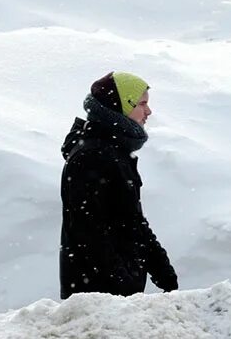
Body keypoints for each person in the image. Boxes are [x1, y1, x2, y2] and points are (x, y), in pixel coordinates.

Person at [59, 71, 178, 299]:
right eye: (142, 104)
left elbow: (132, 221)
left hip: (117, 292)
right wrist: (119, 283)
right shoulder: (92, 156)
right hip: (96, 298)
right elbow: (88, 230)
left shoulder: (115, 152)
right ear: (121, 105)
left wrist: (162, 271)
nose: (149, 112)